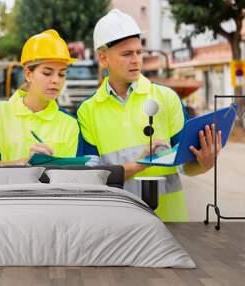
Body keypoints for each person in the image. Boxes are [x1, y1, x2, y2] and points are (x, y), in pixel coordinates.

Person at [77, 9, 222, 221]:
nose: (136, 60)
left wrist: (204, 164)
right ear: (103, 58)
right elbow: (91, 177)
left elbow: (186, 165)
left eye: (139, 52)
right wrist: (139, 165)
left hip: (168, 223)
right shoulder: (87, 110)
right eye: (127, 54)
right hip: (116, 222)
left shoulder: (167, 98)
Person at [0, 29, 83, 166]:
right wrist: (24, 163)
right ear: (28, 74)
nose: (56, 80)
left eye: (61, 74)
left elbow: (74, 177)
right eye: (47, 73)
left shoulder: (70, 124)